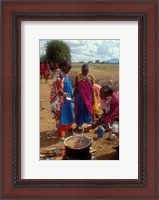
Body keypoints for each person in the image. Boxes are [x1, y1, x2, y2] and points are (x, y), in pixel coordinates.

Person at [50, 60, 74, 141]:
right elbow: (58, 88)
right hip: (61, 100)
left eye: (69, 69)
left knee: (69, 113)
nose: (68, 70)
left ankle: (70, 129)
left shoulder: (65, 74)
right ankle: (61, 133)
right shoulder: (58, 75)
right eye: (67, 68)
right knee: (62, 115)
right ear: (63, 67)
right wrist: (63, 94)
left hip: (68, 99)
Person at [73, 64, 96, 130]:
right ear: (81, 70)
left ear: (88, 70)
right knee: (79, 110)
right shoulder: (78, 77)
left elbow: (92, 89)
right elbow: (75, 86)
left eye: (86, 71)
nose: (84, 72)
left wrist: (93, 99)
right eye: (83, 71)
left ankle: (88, 126)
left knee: (88, 111)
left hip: (88, 98)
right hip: (79, 97)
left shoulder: (90, 78)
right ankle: (78, 125)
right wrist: (74, 95)